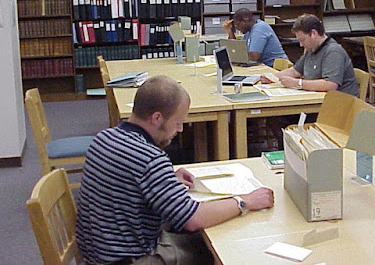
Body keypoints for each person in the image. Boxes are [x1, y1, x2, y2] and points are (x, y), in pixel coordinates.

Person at [76, 75, 274, 264]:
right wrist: (245, 201)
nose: (179, 130)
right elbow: (192, 219)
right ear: (157, 118)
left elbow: (126, 183)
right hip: (131, 259)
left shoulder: (104, 137)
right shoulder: (150, 158)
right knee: (218, 248)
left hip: (99, 252)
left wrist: (166, 179)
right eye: (177, 123)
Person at [261, 13, 359, 97]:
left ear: (314, 33)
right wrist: (273, 77)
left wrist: (297, 83)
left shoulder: (333, 52)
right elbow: (295, 71)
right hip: (317, 98)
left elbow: (330, 85)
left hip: (338, 104)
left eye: (302, 40)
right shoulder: (311, 49)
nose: (301, 44)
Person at [222, 8, 288, 67]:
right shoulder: (248, 31)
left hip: (275, 68)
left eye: (238, 25)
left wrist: (240, 56)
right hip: (264, 66)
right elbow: (237, 50)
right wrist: (230, 31)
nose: (238, 29)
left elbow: (254, 57)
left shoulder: (260, 28)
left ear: (245, 20)